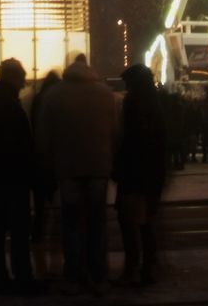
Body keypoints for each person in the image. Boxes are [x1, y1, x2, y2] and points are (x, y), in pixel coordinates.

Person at [36, 54, 116, 293]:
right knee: (97, 222)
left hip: (67, 170)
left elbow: (44, 137)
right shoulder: (105, 94)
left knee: (71, 223)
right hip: (98, 169)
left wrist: (47, 165)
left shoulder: (54, 95)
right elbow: (116, 132)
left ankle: (74, 270)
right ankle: (97, 271)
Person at [0, 58, 39, 294]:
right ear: (13, 78)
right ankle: (22, 277)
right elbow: (19, 143)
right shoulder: (8, 105)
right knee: (20, 228)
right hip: (13, 173)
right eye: (21, 80)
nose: (23, 85)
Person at [113, 65, 167, 286]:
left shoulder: (132, 105)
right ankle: (148, 266)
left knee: (128, 221)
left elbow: (127, 140)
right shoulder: (155, 104)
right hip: (151, 173)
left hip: (133, 173)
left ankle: (133, 267)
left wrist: (118, 167)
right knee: (146, 222)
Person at [29, 70, 60, 280]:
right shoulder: (58, 102)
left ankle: (40, 264)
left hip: (39, 164)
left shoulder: (38, 100)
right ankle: (56, 260)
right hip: (58, 164)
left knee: (40, 214)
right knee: (60, 214)